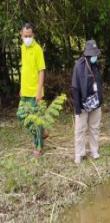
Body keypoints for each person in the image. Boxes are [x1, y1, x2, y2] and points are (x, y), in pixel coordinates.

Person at [16, 22, 46, 157]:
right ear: (21, 35)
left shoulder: (37, 49)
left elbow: (41, 71)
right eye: (25, 35)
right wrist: (21, 88)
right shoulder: (22, 47)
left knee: (35, 120)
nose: (27, 38)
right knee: (21, 115)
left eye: (29, 35)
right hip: (25, 91)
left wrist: (39, 91)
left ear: (33, 35)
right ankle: (43, 132)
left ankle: (38, 146)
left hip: (35, 92)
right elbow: (25, 70)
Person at [71, 40, 103, 164]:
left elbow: (99, 83)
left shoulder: (96, 65)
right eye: (93, 55)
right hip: (83, 103)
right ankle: (79, 153)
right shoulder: (79, 66)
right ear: (87, 54)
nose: (95, 57)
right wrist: (77, 107)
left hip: (95, 102)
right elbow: (75, 87)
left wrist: (100, 99)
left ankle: (94, 150)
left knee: (94, 127)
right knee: (80, 129)